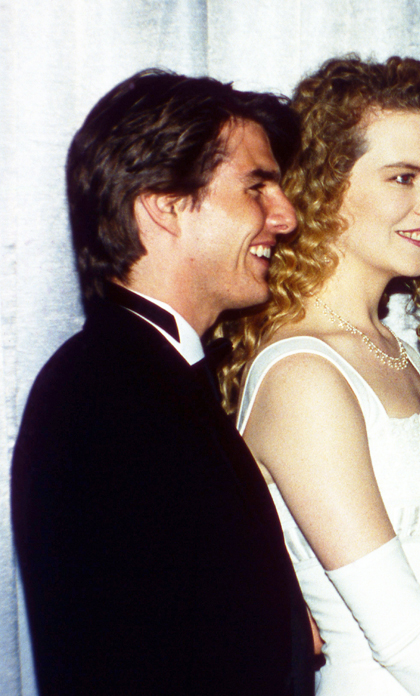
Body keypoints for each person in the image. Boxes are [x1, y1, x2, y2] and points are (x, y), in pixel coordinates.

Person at [218, 56, 420, 696]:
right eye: (402, 177)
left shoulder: (395, 347)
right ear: (323, 187)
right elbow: (398, 628)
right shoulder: (302, 373)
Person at [11, 70, 315, 695]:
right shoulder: (104, 398)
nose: (284, 217)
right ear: (165, 205)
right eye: (258, 188)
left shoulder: (148, 378)